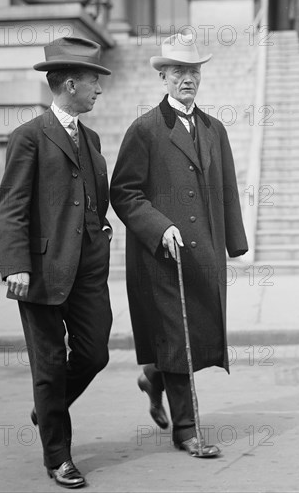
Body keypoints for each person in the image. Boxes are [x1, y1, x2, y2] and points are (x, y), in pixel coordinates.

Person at [110, 33, 248, 458]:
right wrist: (158, 226)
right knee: (178, 337)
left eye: (194, 71)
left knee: (197, 337)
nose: (187, 78)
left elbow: (227, 190)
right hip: (161, 256)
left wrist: (235, 245)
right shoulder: (145, 129)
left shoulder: (214, 128)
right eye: (179, 71)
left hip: (203, 252)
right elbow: (124, 192)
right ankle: (186, 431)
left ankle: (153, 378)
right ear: (163, 77)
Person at [0, 37, 113, 488]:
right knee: (47, 365)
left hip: (87, 270)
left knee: (95, 352)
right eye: (92, 82)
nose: (99, 90)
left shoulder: (93, 137)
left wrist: (100, 233)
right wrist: (16, 265)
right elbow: (11, 207)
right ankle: (58, 455)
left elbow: (93, 199)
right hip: (40, 272)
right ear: (68, 84)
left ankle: (48, 407)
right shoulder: (28, 136)